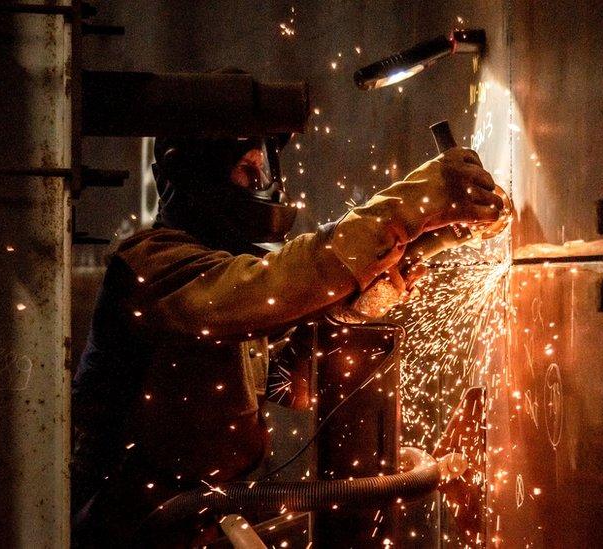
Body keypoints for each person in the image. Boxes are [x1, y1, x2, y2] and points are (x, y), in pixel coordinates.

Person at [71, 131, 509, 546]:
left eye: (263, 173)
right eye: (247, 171)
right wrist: (416, 203)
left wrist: (357, 300)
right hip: (130, 527)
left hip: (200, 519)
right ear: (188, 172)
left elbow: (285, 384)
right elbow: (279, 286)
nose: (260, 185)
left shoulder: (223, 278)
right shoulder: (151, 267)